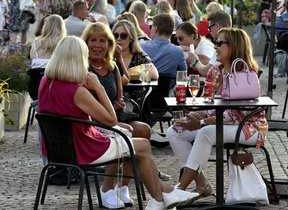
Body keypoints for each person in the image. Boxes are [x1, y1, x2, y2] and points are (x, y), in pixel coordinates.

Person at [38, 35, 199, 210]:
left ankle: (163, 195)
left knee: (129, 135)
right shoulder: (77, 91)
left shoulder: (46, 82)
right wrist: (98, 87)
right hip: (84, 148)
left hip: (60, 150)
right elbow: (110, 118)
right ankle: (160, 198)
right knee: (143, 146)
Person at [166, 28, 267, 204]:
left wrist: (201, 123)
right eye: (215, 42)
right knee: (174, 131)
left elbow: (236, 114)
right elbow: (208, 103)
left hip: (250, 128)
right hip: (223, 125)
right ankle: (201, 184)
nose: (215, 46)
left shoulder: (245, 73)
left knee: (208, 132)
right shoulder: (215, 71)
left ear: (234, 46)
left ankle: (180, 189)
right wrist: (192, 117)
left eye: (220, 43)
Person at [82, 22, 153, 140]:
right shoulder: (83, 68)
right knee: (127, 131)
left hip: (116, 116)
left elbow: (119, 100)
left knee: (144, 129)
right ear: (86, 43)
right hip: (91, 120)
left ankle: (133, 157)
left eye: (102, 40)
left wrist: (119, 104)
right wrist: (111, 108)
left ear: (109, 44)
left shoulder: (112, 67)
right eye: (93, 40)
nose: (97, 45)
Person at [192, 10, 231, 77]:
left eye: (209, 28)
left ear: (217, 26)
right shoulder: (238, 41)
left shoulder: (222, 45)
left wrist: (195, 60)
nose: (209, 32)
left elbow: (207, 72)